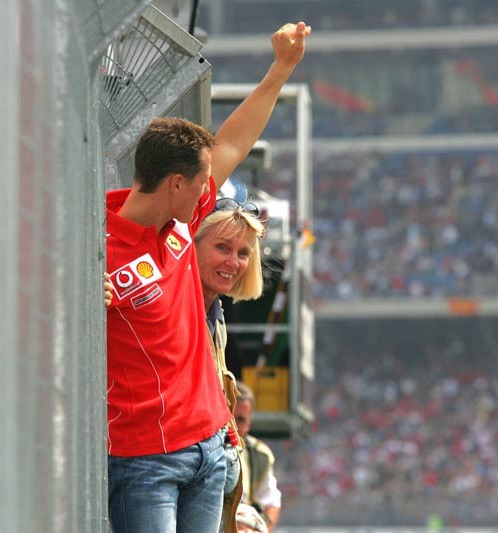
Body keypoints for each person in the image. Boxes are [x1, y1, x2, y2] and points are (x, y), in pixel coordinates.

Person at [104, 21, 310, 533]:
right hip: (144, 461)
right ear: (176, 183)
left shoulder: (180, 224)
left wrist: (280, 70)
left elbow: (236, 141)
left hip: (209, 450)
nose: (208, 194)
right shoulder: (94, 252)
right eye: (201, 184)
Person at [195, 199, 266, 532]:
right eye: (222, 247)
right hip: (170, 463)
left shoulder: (217, 317)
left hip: (209, 476)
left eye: (243, 252)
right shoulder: (180, 302)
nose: (234, 262)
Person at [234, 382, 282, 532]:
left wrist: (260, 528)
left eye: (240, 420)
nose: (233, 425)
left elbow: (272, 503)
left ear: (249, 424)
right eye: (229, 416)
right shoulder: (199, 449)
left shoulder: (260, 456)